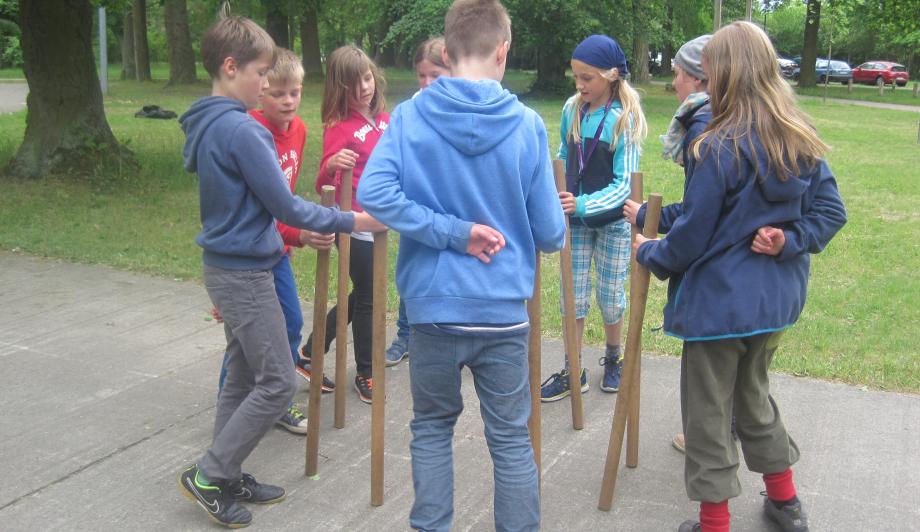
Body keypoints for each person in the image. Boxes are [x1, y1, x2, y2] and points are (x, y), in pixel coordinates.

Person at [357, 1, 565, 529]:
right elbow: (550, 235)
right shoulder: (526, 126)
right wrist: (463, 230)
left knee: (430, 428)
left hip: (433, 312)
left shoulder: (410, 116)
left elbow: (373, 192)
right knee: (511, 437)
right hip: (502, 315)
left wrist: (446, 232)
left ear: (446, 53)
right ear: (503, 50)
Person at [632, 21, 847, 532]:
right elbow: (830, 212)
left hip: (721, 308)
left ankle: (714, 524)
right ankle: (785, 503)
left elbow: (693, 239)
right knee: (753, 398)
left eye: (706, 74)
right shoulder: (799, 139)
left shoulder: (717, 148)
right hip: (772, 305)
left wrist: (650, 252)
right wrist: (790, 241)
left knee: (707, 415)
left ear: (723, 75)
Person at [176, 16, 379, 528]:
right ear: (230, 67)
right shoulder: (242, 129)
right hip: (243, 271)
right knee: (275, 381)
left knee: (244, 374)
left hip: (236, 265)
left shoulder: (207, 121)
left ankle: (227, 470)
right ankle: (209, 474)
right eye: (262, 73)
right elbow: (285, 205)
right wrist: (351, 219)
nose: (267, 85)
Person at [213, 48, 332, 436]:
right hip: (248, 252)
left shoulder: (298, 129)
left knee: (291, 322)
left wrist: (293, 235)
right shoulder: (250, 133)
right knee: (246, 341)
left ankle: (273, 403)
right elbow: (260, 208)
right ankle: (233, 405)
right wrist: (299, 233)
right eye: (278, 93)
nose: (288, 101)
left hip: (274, 248)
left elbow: (288, 198)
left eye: (294, 92)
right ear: (262, 91)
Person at [540, 34, 647, 402]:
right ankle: (574, 371)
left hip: (614, 222)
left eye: (587, 78)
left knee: (610, 296)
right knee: (573, 296)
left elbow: (625, 186)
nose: (580, 85)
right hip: (577, 220)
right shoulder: (572, 109)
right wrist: (557, 184)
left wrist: (582, 204)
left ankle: (614, 358)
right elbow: (562, 153)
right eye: (576, 77)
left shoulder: (624, 119)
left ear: (611, 75)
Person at [625, 34, 713, 454]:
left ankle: (707, 444)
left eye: (677, 74)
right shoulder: (747, 120)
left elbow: (700, 220)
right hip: (771, 293)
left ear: (697, 78)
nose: (673, 83)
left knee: (709, 384)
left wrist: (649, 248)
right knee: (749, 394)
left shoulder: (704, 128)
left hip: (722, 290)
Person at [298, 45, 389, 404]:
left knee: (366, 294)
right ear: (340, 88)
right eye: (353, 85)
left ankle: (309, 351)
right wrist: (333, 163)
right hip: (351, 222)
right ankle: (366, 373)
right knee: (367, 297)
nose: (363, 88)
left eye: (366, 78)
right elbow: (322, 183)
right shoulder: (339, 126)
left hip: (381, 218)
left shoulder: (384, 118)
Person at [385, 36, 451, 367]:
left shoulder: (458, 106)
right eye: (421, 75)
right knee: (414, 269)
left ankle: (455, 337)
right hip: (418, 206)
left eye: (434, 76)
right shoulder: (411, 109)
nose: (426, 83)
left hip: (450, 204)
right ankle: (404, 334)